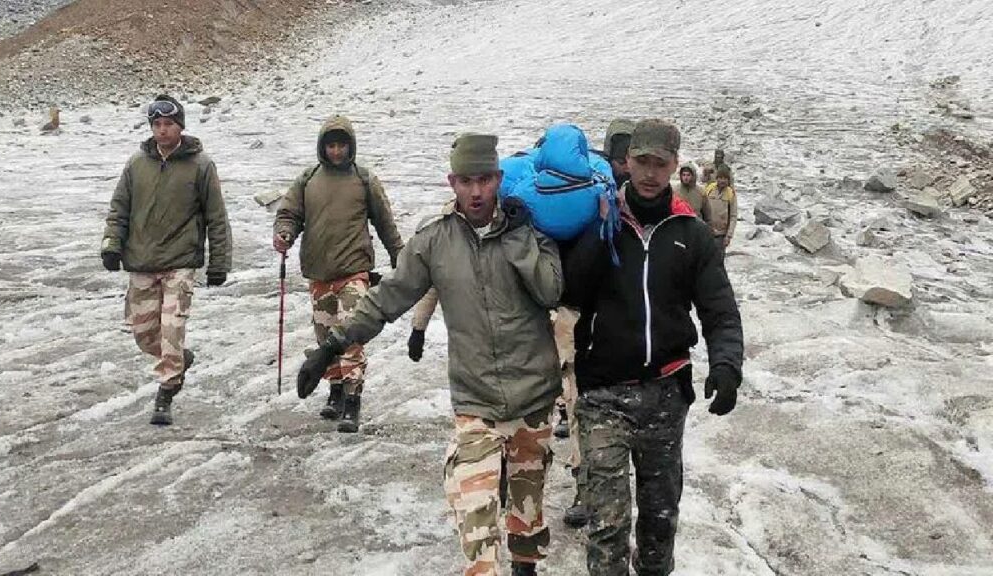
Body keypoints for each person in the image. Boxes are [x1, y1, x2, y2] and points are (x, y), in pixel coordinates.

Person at [297, 133, 563, 576]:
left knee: (527, 513)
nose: (475, 191)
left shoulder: (532, 232)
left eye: (484, 180)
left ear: (498, 179)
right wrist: (332, 345)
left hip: (534, 397)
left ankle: (525, 565)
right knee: (475, 517)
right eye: (465, 181)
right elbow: (387, 298)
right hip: (476, 402)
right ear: (451, 182)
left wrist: (518, 239)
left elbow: (551, 289)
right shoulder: (434, 242)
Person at [563, 119, 744, 576]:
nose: (648, 173)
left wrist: (726, 365)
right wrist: (596, 235)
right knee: (607, 526)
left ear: (673, 166)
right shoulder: (598, 221)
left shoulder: (691, 232)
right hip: (602, 395)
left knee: (659, 524)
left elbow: (719, 309)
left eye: (659, 164)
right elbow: (568, 295)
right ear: (627, 162)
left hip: (665, 395)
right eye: (641, 161)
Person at [101, 94, 233, 426]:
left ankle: (166, 392)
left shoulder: (201, 165)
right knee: (146, 334)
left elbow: (217, 218)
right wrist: (111, 246)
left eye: (169, 124)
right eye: (157, 124)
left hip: (180, 262)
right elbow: (119, 210)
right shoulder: (136, 165)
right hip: (141, 260)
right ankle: (179, 360)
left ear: (180, 127)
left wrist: (220, 263)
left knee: (172, 330)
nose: (162, 131)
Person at [273, 115, 404, 433]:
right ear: (322, 147)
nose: (335, 151)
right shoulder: (308, 179)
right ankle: (334, 391)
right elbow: (289, 213)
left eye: (341, 145)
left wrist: (400, 257)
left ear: (351, 146)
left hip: (354, 272)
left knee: (351, 336)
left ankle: (352, 399)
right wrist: (285, 233)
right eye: (330, 145)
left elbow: (384, 223)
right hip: (319, 274)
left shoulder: (364, 180)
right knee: (326, 337)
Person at [703, 164, 738, 257]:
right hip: (707, 232)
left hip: (721, 235)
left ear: (728, 180)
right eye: (720, 178)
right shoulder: (709, 189)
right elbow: (702, 208)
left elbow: (733, 216)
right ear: (716, 178)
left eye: (725, 178)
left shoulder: (731, 193)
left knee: (718, 261)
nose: (722, 181)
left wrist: (729, 236)